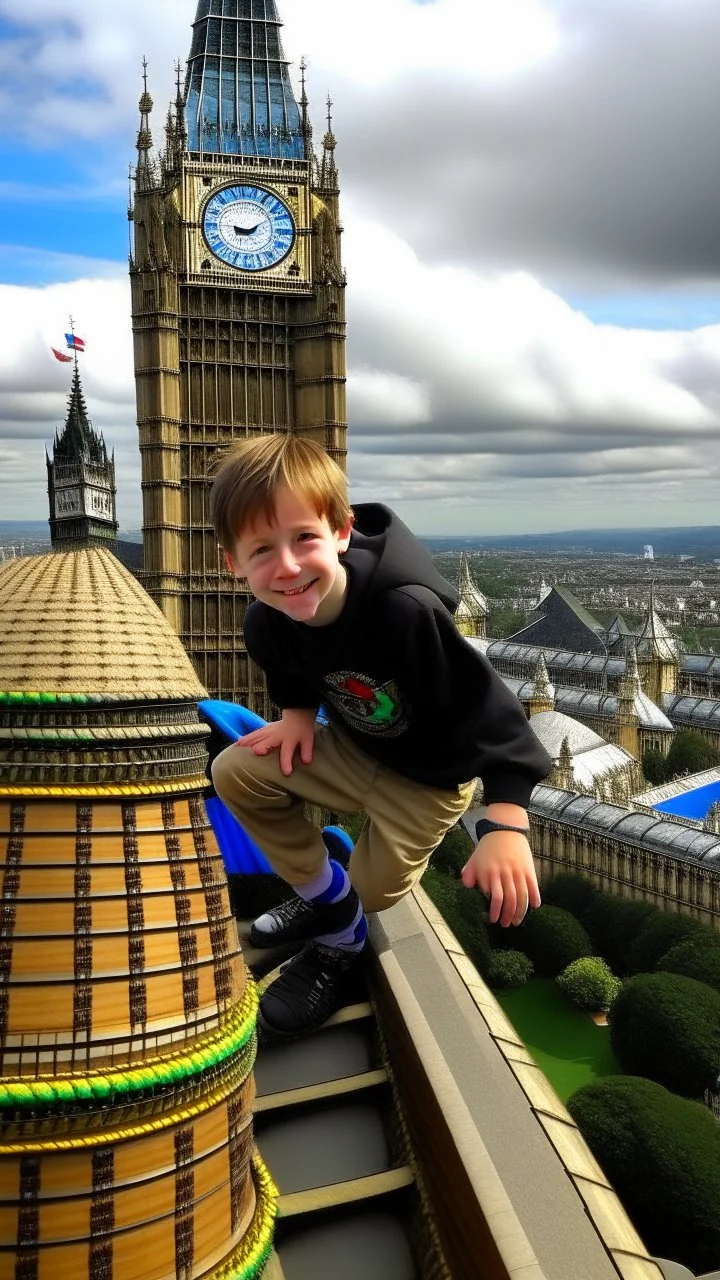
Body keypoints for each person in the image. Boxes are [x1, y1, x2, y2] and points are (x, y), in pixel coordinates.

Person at [210, 435, 552, 1037]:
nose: (287, 567)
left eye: (304, 539)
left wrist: (506, 824)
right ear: (232, 563)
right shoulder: (266, 620)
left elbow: (492, 712)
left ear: (342, 532)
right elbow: (290, 667)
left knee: (375, 895)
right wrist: (293, 718)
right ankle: (334, 928)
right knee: (234, 771)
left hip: (426, 782)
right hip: (353, 749)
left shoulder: (406, 612)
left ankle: (340, 897)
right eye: (263, 550)